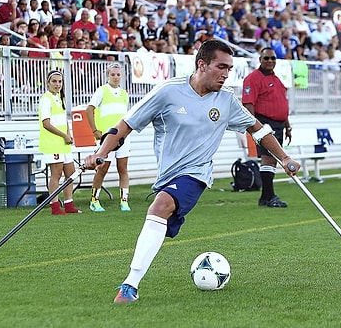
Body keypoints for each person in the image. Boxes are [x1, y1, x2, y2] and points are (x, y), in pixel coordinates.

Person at [83, 40, 300, 303]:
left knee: (159, 207)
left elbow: (257, 128)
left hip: (197, 174)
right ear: (202, 64)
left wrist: (285, 157)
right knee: (161, 217)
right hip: (167, 176)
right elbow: (124, 126)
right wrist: (101, 153)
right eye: (221, 67)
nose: (225, 74)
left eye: (229, 69)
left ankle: (130, 286)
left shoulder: (227, 99)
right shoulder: (167, 92)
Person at [242, 47, 292, 207]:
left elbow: (281, 103)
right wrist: (255, 126)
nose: (270, 61)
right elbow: (249, 103)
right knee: (268, 159)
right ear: (260, 60)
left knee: (273, 161)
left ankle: (265, 197)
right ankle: (269, 196)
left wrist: (287, 125)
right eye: (266, 58)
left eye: (273, 58)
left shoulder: (276, 79)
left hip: (279, 124)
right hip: (264, 124)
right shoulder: (253, 79)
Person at [85, 63, 130, 212]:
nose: (116, 77)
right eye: (113, 74)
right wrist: (95, 130)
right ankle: (94, 200)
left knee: (122, 168)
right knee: (103, 168)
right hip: (108, 137)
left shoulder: (124, 94)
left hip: (123, 138)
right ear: (107, 75)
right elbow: (89, 109)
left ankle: (124, 200)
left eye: (118, 75)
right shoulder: (102, 91)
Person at [38, 70, 82, 215]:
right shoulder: (46, 99)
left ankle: (69, 204)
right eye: (54, 81)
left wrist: (69, 135)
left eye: (60, 81)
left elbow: (63, 121)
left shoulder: (60, 98)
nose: (57, 84)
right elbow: (46, 123)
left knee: (71, 173)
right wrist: (64, 135)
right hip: (53, 143)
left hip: (63, 143)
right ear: (48, 83)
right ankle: (55, 207)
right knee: (56, 174)